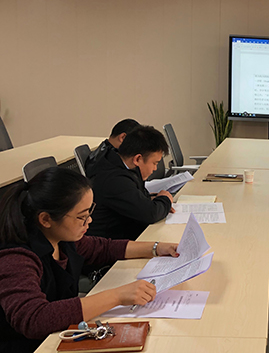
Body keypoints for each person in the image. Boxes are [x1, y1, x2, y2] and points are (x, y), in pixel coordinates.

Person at [0, 167, 179, 353]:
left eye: (89, 213)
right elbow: (35, 319)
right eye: (81, 217)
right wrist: (117, 296)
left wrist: (157, 248)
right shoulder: (15, 258)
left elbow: (105, 248)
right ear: (46, 219)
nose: (89, 221)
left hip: (57, 337)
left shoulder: (60, 238)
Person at [88, 125, 174, 241]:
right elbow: (150, 214)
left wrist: (153, 199)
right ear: (137, 159)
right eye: (155, 163)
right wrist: (165, 199)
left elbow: (138, 198)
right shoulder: (115, 180)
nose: (155, 169)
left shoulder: (118, 163)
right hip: (109, 245)